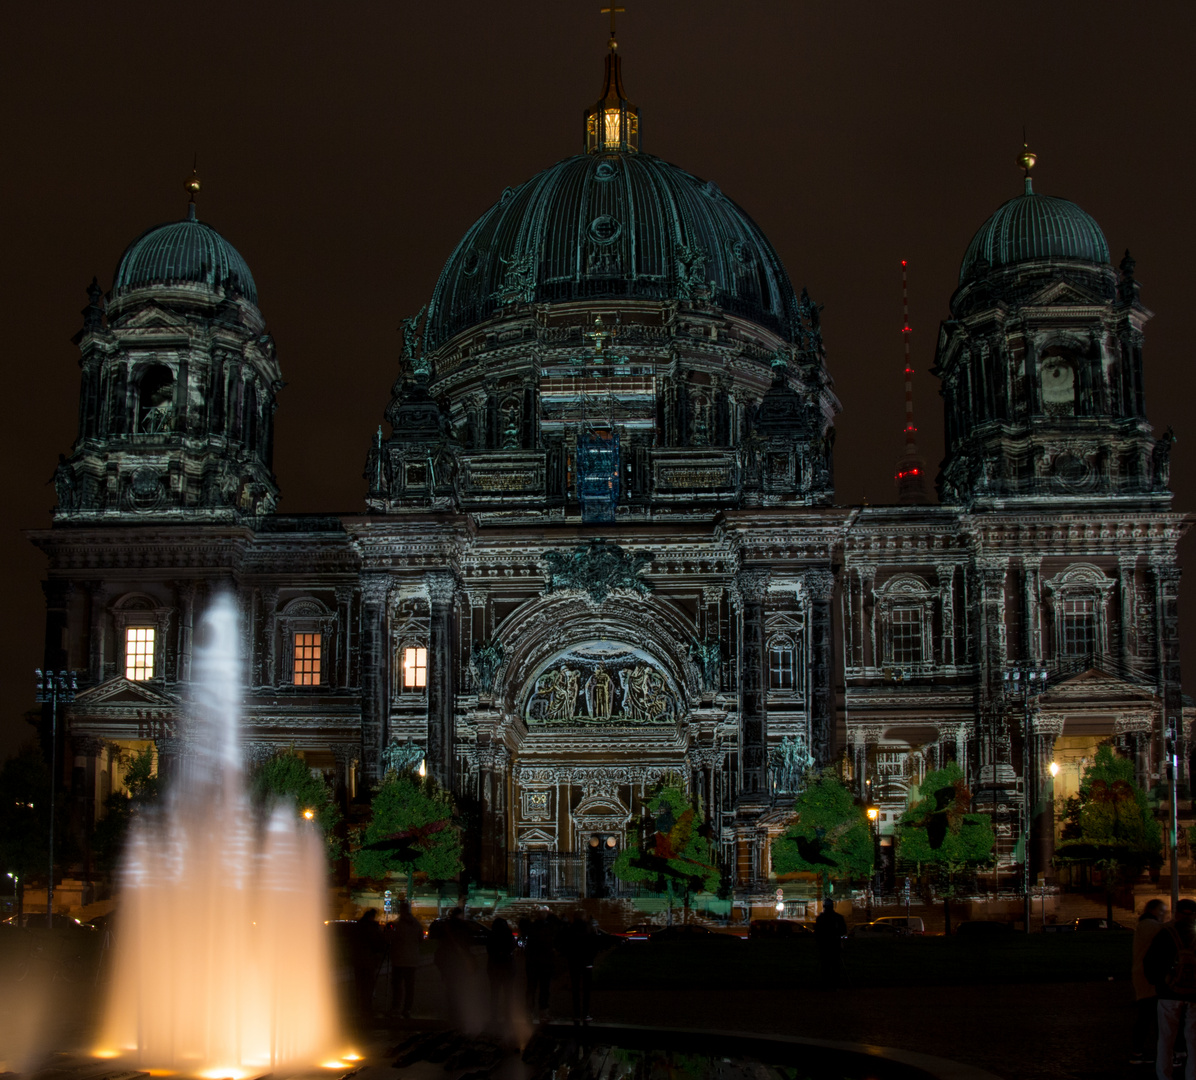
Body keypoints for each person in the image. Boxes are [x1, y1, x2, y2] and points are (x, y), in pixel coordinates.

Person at [1145, 897, 1196, 1079]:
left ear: (1176, 913)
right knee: (1194, 1043)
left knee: (1166, 1040)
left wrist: (1158, 983)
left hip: (1168, 993)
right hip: (1194, 995)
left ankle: (1164, 1075)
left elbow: (1150, 963)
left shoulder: (1166, 933)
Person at [1132, 900, 1168, 1066]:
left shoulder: (1144, 925)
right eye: (1162, 911)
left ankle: (1139, 1051)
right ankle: (1138, 1051)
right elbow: (1167, 931)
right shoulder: (1149, 926)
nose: (1164, 915)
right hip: (1148, 976)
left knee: (1147, 1017)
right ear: (1153, 910)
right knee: (1148, 1017)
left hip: (1144, 975)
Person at [388, 901, 424, 1019]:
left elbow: (391, 939)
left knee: (397, 985)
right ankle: (407, 1009)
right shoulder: (416, 924)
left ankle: (395, 1007)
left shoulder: (398, 924)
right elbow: (420, 940)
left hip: (399, 959)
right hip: (412, 959)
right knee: (409, 986)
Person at [562, 911, 599, 1024]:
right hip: (587, 962)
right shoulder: (589, 928)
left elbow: (565, 945)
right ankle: (585, 1013)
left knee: (575, 989)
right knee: (586, 990)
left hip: (574, 962)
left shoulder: (570, 929)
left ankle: (577, 1014)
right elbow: (595, 944)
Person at [350, 907, 385, 1022]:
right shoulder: (373, 927)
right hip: (369, 959)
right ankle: (367, 1007)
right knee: (369, 984)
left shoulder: (358, 926)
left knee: (360, 984)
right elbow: (378, 943)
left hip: (358, 959)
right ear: (372, 916)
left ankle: (360, 1005)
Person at [524, 910, 556, 1023]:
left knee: (531, 988)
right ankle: (543, 1012)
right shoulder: (548, 928)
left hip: (533, 963)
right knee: (544, 989)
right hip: (545, 963)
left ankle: (529, 1012)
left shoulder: (532, 927)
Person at [486, 916, 516, 1026]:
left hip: (494, 969)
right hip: (507, 968)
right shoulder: (508, 935)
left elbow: (489, 950)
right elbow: (512, 947)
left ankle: (493, 1016)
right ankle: (508, 1016)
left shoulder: (491, 936)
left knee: (494, 994)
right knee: (508, 993)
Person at [814, 899, 847, 989]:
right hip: (834, 944)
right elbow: (843, 930)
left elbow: (817, 932)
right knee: (835, 965)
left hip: (825, 945)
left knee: (826, 965)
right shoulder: (838, 918)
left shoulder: (821, 918)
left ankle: (826, 983)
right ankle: (835, 983)